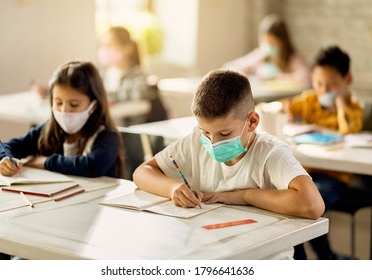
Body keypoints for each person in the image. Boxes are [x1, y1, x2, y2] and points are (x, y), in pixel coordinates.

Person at [133, 69, 324, 259]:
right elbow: (143, 172)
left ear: (252, 121)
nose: (213, 143)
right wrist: (173, 188)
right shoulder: (195, 142)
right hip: (215, 253)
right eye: (206, 133)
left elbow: (312, 205)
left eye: (224, 134)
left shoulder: (270, 152)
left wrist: (246, 196)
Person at [283, 46, 364, 259]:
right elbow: (287, 107)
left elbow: (349, 128)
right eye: (319, 84)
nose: (324, 90)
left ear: (348, 80)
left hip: (335, 178)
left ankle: (325, 260)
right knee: (291, 213)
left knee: (306, 210)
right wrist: (287, 112)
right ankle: (317, 261)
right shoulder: (310, 100)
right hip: (306, 174)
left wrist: (340, 103)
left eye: (332, 85)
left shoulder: (353, 107)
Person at [0, 61, 125, 178]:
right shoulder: (49, 130)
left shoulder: (106, 136)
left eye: (74, 104)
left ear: (93, 105)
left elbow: (93, 165)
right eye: (58, 102)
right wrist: (4, 159)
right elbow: (6, 146)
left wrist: (46, 162)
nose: (64, 110)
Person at [222, 14, 309, 85]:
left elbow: (306, 78)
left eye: (272, 43)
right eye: (265, 43)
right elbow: (230, 67)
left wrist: (277, 76)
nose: (268, 47)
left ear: (283, 42)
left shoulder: (293, 58)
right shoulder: (259, 55)